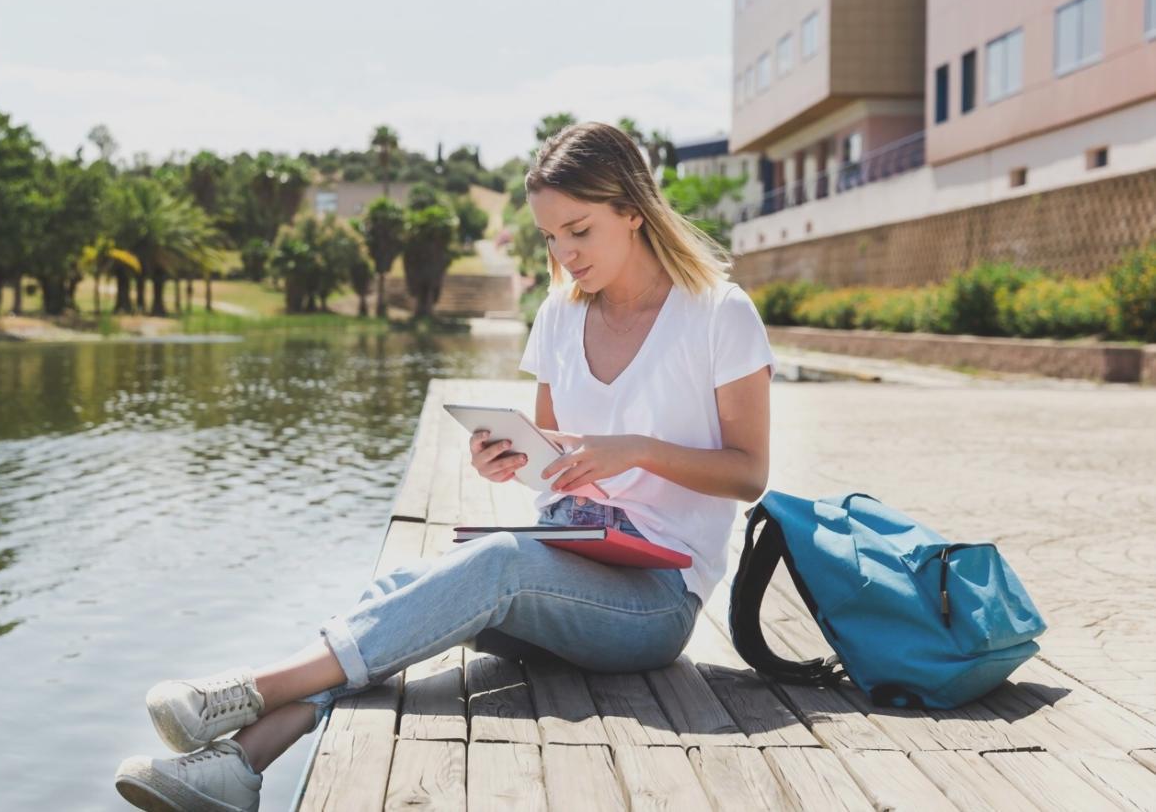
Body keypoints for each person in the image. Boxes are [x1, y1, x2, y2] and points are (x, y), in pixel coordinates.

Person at [113, 121, 775, 812]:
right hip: (567, 557)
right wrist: (514, 459)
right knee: (403, 590)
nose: (564, 253)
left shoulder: (717, 314)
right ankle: (238, 767)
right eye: (551, 237)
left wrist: (634, 448)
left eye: (579, 230)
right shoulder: (558, 314)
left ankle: (251, 690)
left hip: (653, 601)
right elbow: (554, 457)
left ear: (633, 209)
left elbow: (748, 472)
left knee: (495, 563)